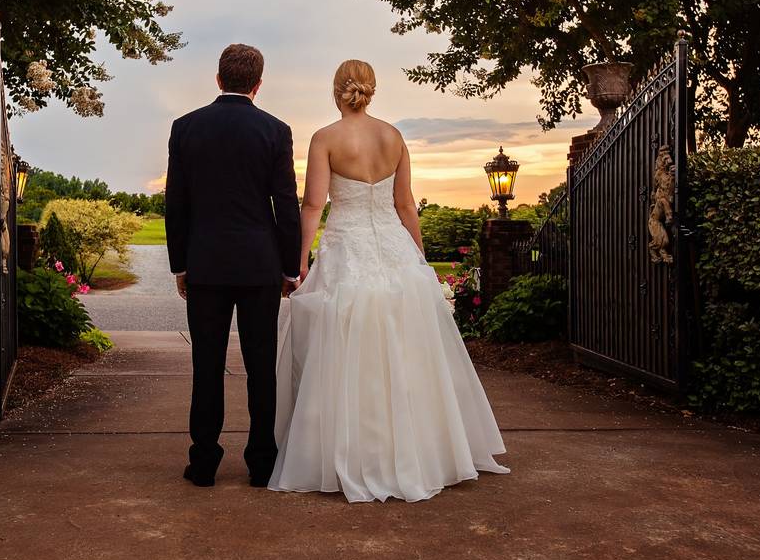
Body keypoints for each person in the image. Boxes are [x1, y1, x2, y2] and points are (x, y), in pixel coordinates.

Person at [269, 59, 509, 502]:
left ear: (336, 89)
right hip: (394, 251)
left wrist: (300, 261)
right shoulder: (394, 137)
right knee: (407, 348)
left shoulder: (325, 138)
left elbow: (312, 206)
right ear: (371, 90)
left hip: (347, 251)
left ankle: (349, 452)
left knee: (344, 344)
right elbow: (405, 206)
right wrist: (418, 257)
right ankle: (421, 452)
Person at [165, 43, 301, 488]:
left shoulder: (185, 128)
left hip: (205, 264)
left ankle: (203, 462)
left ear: (219, 78)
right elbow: (286, 204)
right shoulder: (275, 131)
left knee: (206, 365)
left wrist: (180, 266)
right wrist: (288, 269)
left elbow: (176, 204)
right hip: (260, 265)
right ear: (258, 85)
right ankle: (262, 463)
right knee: (262, 367)